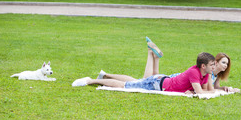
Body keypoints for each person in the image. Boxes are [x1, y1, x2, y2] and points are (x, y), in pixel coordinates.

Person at [72, 37, 216, 94]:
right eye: (211, 64)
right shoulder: (194, 72)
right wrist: (197, 92)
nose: (213, 67)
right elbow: (203, 92)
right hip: (157, 83)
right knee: (125, 86)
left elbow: (204, 90)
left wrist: (195, 91)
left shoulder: (204, 73)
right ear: (203, 66)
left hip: (161, 80)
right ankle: (91, 80)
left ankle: (152, 55)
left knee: (134, 81)